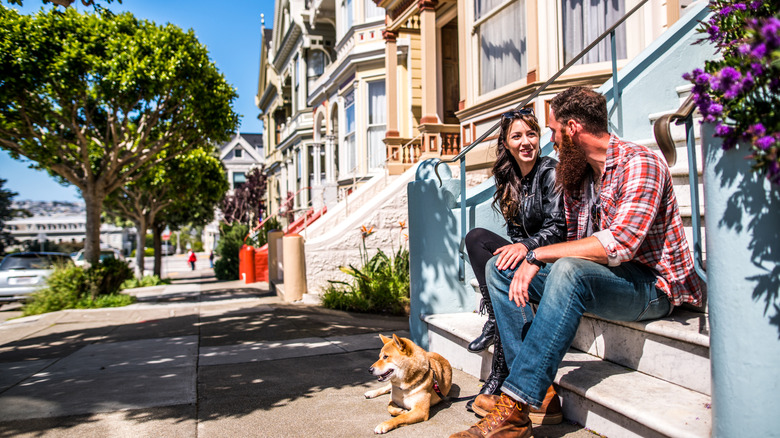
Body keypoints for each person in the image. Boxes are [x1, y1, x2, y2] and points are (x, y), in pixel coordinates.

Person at [451, 86, 703, 438]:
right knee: (499, 267)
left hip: (653, 286)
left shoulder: (639, 163)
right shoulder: (578, 174)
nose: (549, 140)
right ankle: (545, 395)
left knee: (567, 269)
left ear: (572, 129)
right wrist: (530, 260)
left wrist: (536, 254)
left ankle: (516, 406)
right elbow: (573, 242)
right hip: (606, 278)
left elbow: (620, 244)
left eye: (552, 130)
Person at [463, 109, 566, 415]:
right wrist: (519, 248)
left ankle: (499, 377)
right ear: (506, 143)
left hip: (549, 258)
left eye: (531, 134)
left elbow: (558, 228)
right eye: (517, 136)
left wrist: (525, 248)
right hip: (526, 251)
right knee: (476, 238)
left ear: (540, 137)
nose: (526, 142)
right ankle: (496, 318)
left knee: (500, 270)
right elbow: (515, 230)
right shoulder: (508, 177)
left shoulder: (550, 171)